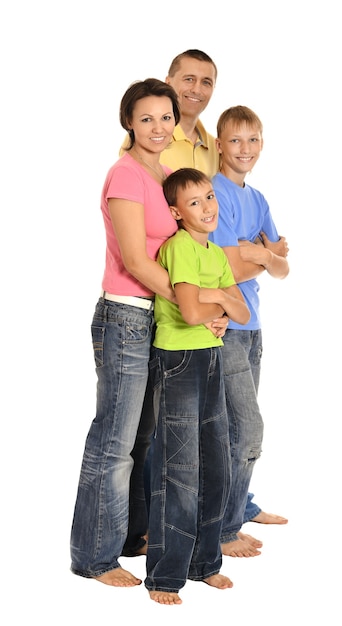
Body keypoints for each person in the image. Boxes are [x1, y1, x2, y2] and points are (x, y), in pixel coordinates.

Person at [122, 52, 283, 557]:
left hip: (216, 306)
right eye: (186, 80)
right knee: (164, 425)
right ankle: (153, 528)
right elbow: (190, 240)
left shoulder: (212, 147)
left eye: (206, 81)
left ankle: (228, 509)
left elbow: (237, 242)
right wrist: (247, 261)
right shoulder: (151, 145)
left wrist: (251, 257)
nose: (196, 89)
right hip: (166, 293)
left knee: (214, 426)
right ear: (170, 84)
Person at [70, 78, 182, 587]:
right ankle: (94, 558)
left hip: (153, 319)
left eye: (165, 117)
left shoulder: (161, 176)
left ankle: (132, 535)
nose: (157, 127)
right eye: (146, 119)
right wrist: (193, 301)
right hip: (125, 318)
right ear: (128, 123)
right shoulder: (125, 175)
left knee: (143, 439)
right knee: (112, 443)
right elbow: (136, 259)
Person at [145, 168, 250, 604]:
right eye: (194, 203)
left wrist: (223, 301)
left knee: (217, 464)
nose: (207, 207)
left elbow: (242, 314)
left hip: (210, 356)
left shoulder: (215, 254)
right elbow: (189, 312)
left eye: (209, 197)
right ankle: (165, 575)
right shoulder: (181, 248)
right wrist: (222, 298)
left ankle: (205, 563)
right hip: (179, 361)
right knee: (180, 470)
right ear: (175, 212)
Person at [208, 105, 290, 558]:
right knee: (244, 429)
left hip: (254, 324)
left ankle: (236, 509)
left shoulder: (258, 199)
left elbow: (284, 268)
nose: (245, 149)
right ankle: (224, 526)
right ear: (220, 145)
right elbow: (219, 264)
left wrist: (258, 254)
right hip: (226, 326)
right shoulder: (212, 193)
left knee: (240, 429)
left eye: (253, 140)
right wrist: (262, 252)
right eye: (236, 140)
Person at [120, 49, 219, 178]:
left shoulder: (216, 147)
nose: (197, 90)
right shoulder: (148, 136)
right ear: (168, 82)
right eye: (189, 79)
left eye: (206, 82)